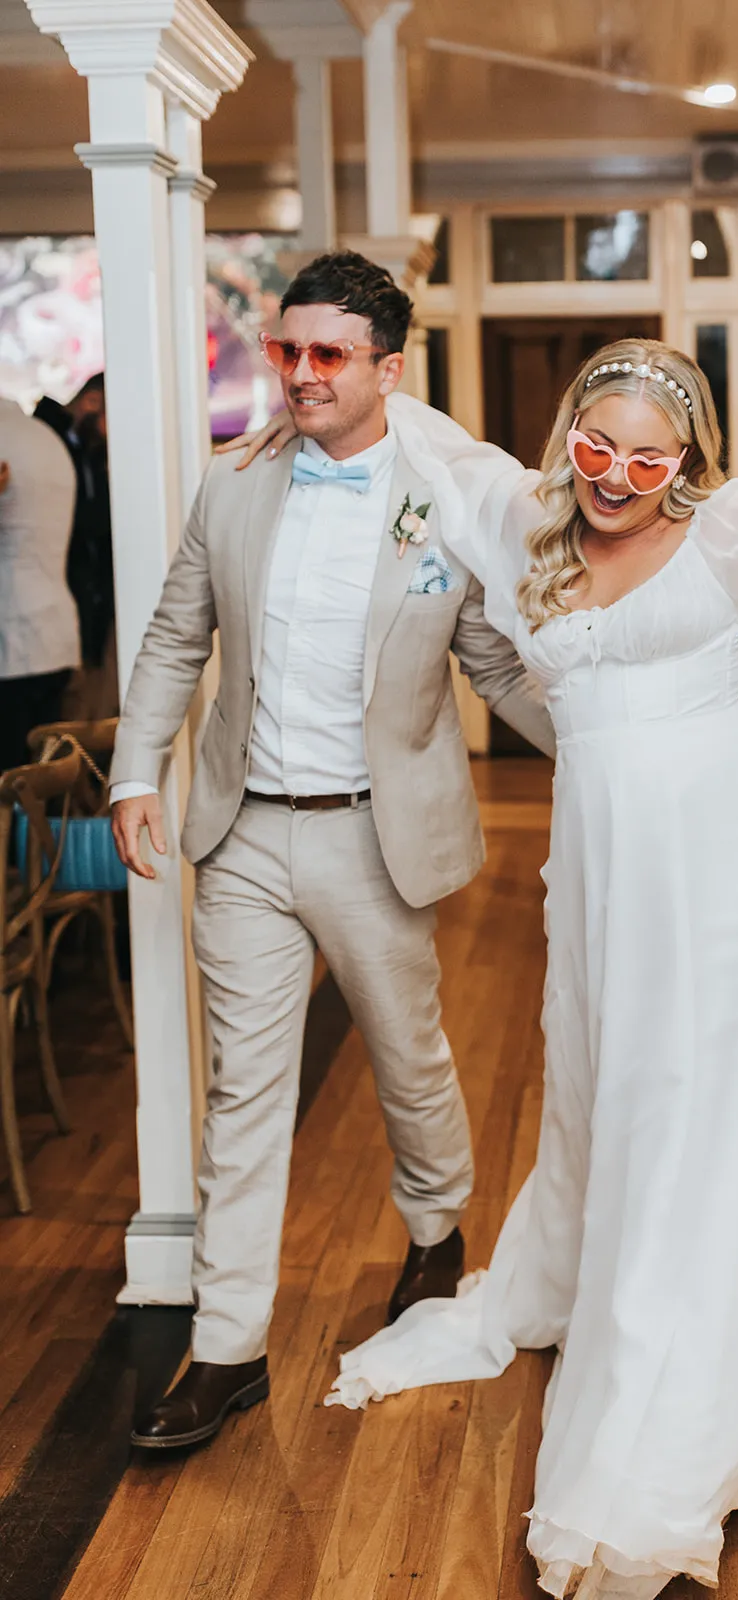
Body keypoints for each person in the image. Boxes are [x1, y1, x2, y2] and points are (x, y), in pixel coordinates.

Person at [237, 239, 738, 1596]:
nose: (617, 475)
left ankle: (676, 1384)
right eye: (598, 443)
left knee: (705, 1096)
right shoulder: (517, 524)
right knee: (612, 1086)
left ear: (680, 466)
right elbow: (425, 439)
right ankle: (612, 1280)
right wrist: (316, 396)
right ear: (568, 435)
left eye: (648, 456)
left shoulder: (726, 534)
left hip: (735, 848)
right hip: (607, 859)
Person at [108, 251, 555, 1452]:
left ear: (387, 370)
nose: (299, 374)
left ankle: (434, 1227)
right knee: (243, 1097)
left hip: (376, 835)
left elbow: (494, 663)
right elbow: (171, 638)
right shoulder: (234, 486)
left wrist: (611, 747)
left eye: (328, 355)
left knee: (409, 1057)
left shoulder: (443, 500)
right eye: (288, 350)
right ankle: (226, 1349)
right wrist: (137, 770)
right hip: (243, 832)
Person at [0, 399, 79, 773]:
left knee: (13, 776)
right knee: (41, 778)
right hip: (57, 628)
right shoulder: (45, 437)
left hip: (13, 636)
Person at [36, 373, 116, 717]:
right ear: (93, 402)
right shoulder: (49, 445)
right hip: (55, 614)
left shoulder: (87, 453)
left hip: (90, 611)